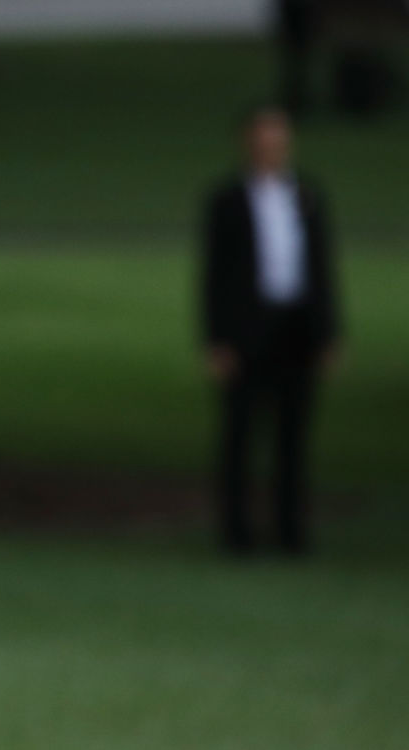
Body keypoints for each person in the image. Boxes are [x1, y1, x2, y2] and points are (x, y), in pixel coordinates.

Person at [200, 106, 340, 555]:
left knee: (293, 437)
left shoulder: (307, 195)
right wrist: (215, 340)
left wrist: (328, 333)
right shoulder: (226, 200)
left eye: (278, 138)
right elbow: (213, 276)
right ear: (247, 142)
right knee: (240, 436)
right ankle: (237, 533)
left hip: (296, 328)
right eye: (263, 138)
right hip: (246, 332)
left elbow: (322, 268)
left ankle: (290, 531)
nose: (271, 146)